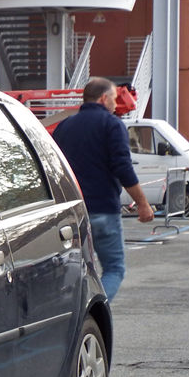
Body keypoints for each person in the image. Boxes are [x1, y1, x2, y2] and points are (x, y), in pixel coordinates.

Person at [52, 77, 154, 301]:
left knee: (78, 273)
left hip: (72, 215)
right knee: (114, 269)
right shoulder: (111, 124)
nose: (116, 105)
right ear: (104, 98)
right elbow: (122, 167)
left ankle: (76, 320)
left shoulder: (63, 127)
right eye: (115, 99)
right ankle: (94, 315)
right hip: (103, 211)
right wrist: (144, 204)